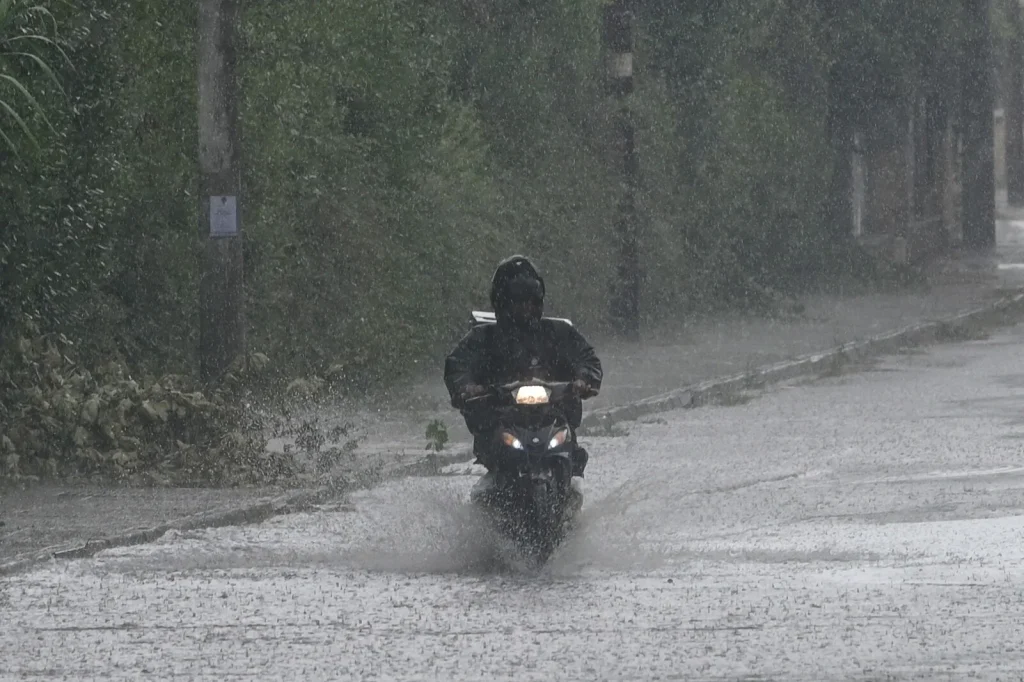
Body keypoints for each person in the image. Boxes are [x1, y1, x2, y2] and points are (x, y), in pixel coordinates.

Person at [444, 255, 603, 498]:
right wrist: (467, 387)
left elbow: (586, 357)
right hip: (502, 421)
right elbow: (458, 365)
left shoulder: (558, 334)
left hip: (551, 418)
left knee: (573, 457)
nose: (525, 308)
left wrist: (584, 379)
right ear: (501, 303)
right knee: (492, 455)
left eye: (530, 301)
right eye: (517, 302)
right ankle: (494, 492)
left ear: (539, 301)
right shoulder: (483, 339)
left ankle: (569, 486)